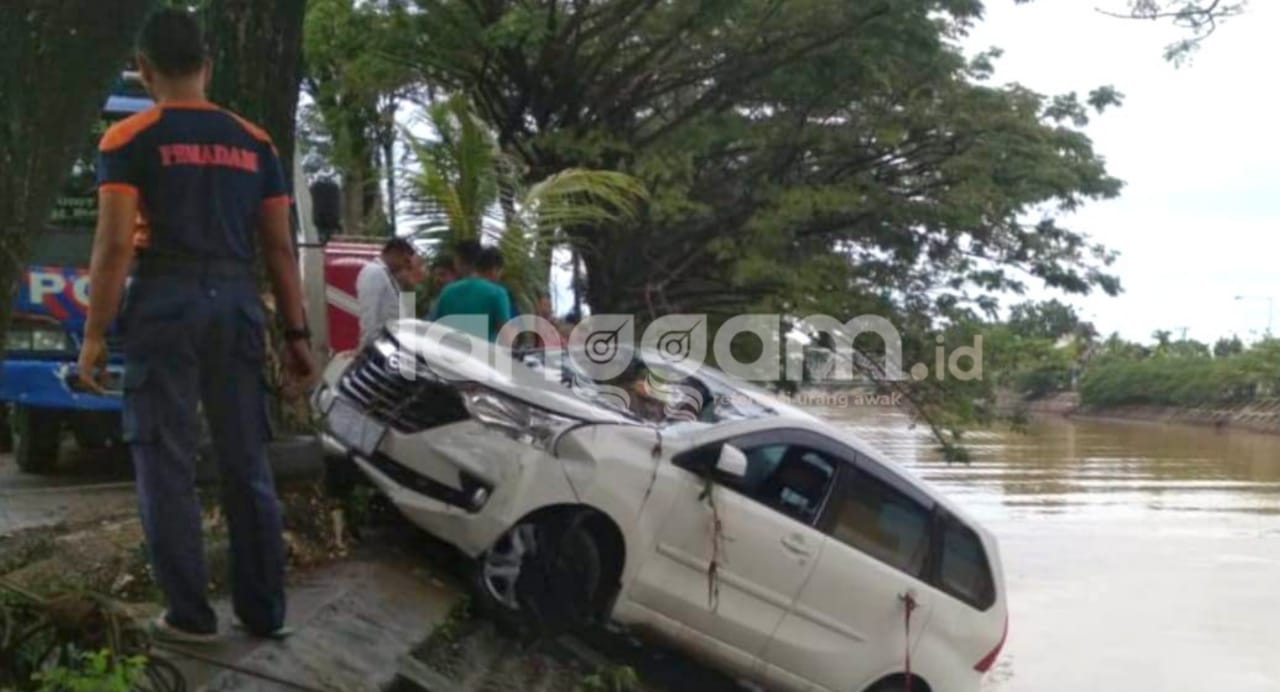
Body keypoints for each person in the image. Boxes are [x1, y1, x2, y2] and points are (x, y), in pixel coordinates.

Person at [74, 8, 316, 644]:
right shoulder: (256, 142)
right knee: (246, 461)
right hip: (236, 301)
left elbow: (115, 245)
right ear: (207, 65)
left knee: (166, 461)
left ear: (144, 68)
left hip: (165, 301)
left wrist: (95, 335)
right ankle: (265, 614)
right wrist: (296, 337)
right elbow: (280, 250)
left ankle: (191, 616)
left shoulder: (127, 140)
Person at [429, 246, 514, 342]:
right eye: (500, 272)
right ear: (495, 269)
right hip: (481, 355)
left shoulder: (448, 290)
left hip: (448, 352)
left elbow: (433, 326)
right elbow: (506, 337)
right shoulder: (498, 293)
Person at [356, 237, 414, 345]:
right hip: (378, 345)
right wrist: (365, 345)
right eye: (405, 260)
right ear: (394, 253)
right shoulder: (373, 272)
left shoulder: (387, 275)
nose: (405, 265)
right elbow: (370, 313)